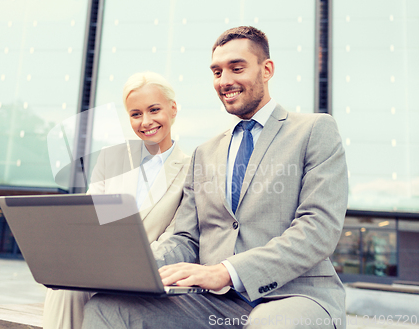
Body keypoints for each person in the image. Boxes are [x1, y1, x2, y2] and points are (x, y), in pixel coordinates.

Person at [82, 26, 349, 329]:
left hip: (295, 297)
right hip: (215, 302)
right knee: (106, 307)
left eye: (237, 68)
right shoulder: (204, 154)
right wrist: (130, 264)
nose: (225, 81)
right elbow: (185, 238)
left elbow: (318, 230)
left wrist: (226, 271)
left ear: (267, 69)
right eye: (217, 72)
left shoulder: (314, 131)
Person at [42, 71, 190, 329]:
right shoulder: (111, 159)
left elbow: (177, 236)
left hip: (149, 273)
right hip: (98, 266)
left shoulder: (192, 169)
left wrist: (127, 265)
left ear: (173, 109)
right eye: (135, 114)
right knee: (64, 287)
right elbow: (90, 221)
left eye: (154, 110)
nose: (146, 121)